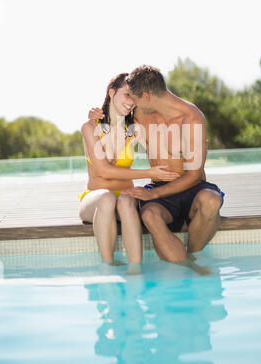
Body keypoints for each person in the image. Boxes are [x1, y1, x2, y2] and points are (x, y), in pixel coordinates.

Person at [89, 65, 225, 265]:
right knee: (150, 215)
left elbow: (194, 175)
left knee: (212, 200)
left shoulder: (192, 118)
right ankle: (189, 267)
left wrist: (152, 194)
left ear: (147, 95)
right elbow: (111, 120)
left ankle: (192, 256)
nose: (131, 103)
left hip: (192, 187)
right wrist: (95, 116)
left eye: (134, 98)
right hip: (160, 188)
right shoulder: (140, 113)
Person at [79, 72, 180, 272]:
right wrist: (150, 172)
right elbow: (104, 171)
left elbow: (160, 148)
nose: (131, 102)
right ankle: (107, 266)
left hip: (125, 196)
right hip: (96, 198)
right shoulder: (90, 127)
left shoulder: (134, 130)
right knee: (107, 198)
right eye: (127, 95)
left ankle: (136, 269)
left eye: (134, 98)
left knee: (125, 201)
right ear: (111, 92)